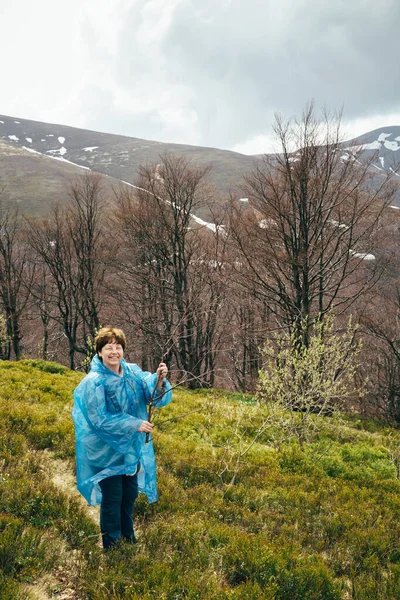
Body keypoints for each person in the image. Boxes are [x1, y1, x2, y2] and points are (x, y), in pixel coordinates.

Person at [72, 326, 172, 550]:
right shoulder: (94, 382)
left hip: (129, 449)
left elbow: (153, 397)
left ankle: (128, 538)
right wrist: (134, 424)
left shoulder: (133, 373)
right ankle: (112, 546)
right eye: (109, 347)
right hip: (105, 451)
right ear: (99, 352)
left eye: (118, 347)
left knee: (130, 495)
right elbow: (99, 419)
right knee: (113, 497)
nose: (114, 352)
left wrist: (159, 380)